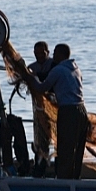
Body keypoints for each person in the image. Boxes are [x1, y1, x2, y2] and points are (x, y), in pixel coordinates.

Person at [23, 43, 89, 179]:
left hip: (68, 111)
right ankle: (75, 178)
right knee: (77, 148)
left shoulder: (58, 70)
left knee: (64, 147)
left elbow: (42, 88)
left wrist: (30, 78)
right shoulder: (76, 69)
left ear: (60, 54)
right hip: (82, 110)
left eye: (55, 53)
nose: (53, 56)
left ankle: (64, 180)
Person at [27, 41, 54, 177]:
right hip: (38, 110)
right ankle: (40, 166)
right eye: (36, 53)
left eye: (42, 53)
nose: (39, 56)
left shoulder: (54, 65)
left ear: (47, 52)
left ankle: (56, 167)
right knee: (40, 140)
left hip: (55, 108)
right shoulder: (31, 67)